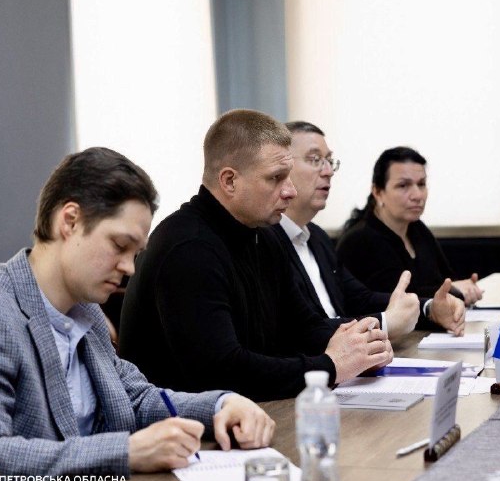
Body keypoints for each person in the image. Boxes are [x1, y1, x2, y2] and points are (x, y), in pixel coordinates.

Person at [0, 147, 275, 481]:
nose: (129, 268)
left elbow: (135, 399)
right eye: (119, 245)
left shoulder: (84, 308)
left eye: (135, 253)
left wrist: (222, 404)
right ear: (70, 221)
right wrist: (127, 452)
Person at [119, 110, 392, 402]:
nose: (290, 191)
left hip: (254, 411)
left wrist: (361, 343)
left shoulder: (266, 234)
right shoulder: (188, 248)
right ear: (229, 181)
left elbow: (303, 327)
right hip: (189, 424)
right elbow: (222, 372)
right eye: (276, 178)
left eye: (288, 176)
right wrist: (331, 367)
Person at [270, 122, 465, 336]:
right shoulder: (264, 241)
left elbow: (360, 298)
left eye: (329, 161)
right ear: (281, 169)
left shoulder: (317, 237)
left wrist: (429, 308)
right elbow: (298, 330)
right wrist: (385, 322)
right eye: (315, 160)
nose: (328, 171)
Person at [337, 146, 484, 306]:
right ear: (378, 192)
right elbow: (394, 299)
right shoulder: (360, 240)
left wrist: (463, 287)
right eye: (403, 186)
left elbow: (446, 278)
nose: (417, 195)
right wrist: (453, 290)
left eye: (421, 184)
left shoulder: (417, 228)